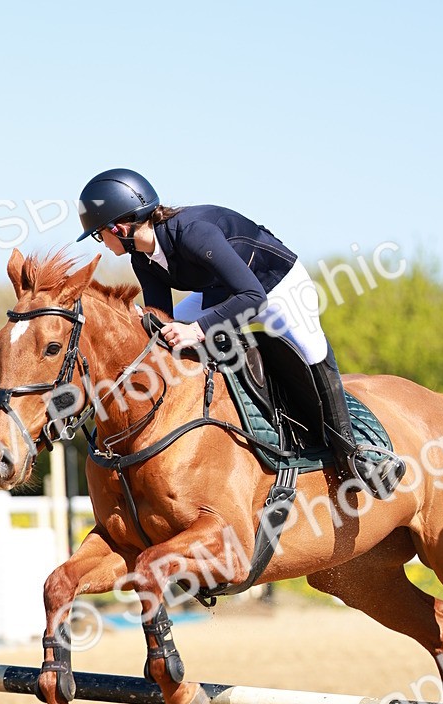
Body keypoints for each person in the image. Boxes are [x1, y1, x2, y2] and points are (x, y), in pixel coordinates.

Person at [76, 167, 399, 495]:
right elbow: (162, 319)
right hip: (221, 290)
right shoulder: (141, 258)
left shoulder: (192, 232)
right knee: (160, 336)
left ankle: (354, 452)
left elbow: (253, 297)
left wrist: (198, 330)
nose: (101, 243)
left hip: (274, 284)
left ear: (119, 225)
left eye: (99, 234)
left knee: (310, 347)